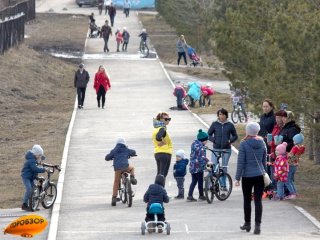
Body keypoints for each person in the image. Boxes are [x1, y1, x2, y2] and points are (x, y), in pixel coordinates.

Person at [235, 122, 267, 235]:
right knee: (258, 200)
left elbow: (241, 162)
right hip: (259, 175)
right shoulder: (262, 142)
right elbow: (264, 161)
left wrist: (237, 178)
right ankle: (257, 225)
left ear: (248, 131)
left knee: (247, 200)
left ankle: (247, 223)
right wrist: (265, 174)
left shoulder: (244, 144)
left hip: (247, 176)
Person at [208, 108, 238, 189]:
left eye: (223, 114)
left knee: (224, 168)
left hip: (226, 149)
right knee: (213, 166)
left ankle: (223, 185)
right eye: (220, 114)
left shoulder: (230, 125)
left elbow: (235, 136)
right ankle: (211, 184)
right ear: (218, 115)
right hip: (216, 148)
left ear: (226, 115)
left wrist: (229, 141)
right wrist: (213, 140)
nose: (221, 116)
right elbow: (209, 134)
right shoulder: (214, 124)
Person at [105, 137, 137, 206]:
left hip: (117, 168)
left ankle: (114, 199)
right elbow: (133, 152)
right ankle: (132, 178)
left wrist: (109, 158)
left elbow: (107, 157)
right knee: (132, 168)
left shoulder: (114, 150)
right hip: (125, 166)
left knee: (116, 182)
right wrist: (133, 154)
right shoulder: (126, 149)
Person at [21, 145, 47, 211]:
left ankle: (33, 205)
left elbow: (40, 158)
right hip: (26, 177)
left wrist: (41, 160)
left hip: (31, 177)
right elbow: (35, 169)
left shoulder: (34, 159)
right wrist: (43, 169)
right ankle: (24, 204)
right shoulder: (31, 161)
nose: (40, 157)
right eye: (39, 155)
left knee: (34, 190)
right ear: (35, 154)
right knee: (29, 189)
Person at [187, 129, 209, 202]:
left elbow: (196, 152)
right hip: (198, 167)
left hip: (192, 166)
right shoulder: (201, 148)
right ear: (203, 140)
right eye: (206, 140)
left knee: (193, 181)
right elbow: (201, 157)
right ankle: (201, 195)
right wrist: (207, 162)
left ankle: (190, 195)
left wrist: (204, 147)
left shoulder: (194, 144)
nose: (207, 142)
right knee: (200, 181)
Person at [152, 112, 173, 186]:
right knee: (163, 175)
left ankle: (155, 192)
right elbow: (158, 137)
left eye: (169, 119)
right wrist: (162, 142)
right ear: (161, 120)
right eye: (166, 119)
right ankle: (160, 194)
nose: (168, 121)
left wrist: (160, 143)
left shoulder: (156, 128)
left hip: (158, 153)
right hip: (165, 153)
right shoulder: (162, 128)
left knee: (159, 174)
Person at [267, 110, 286, 189]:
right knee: (273, 173)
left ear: (283, 118)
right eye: (276, 118)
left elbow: (279, 142)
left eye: (278, 118)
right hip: (273, 153)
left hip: (280, 154)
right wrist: (269, 140)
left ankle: (279, 190)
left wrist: (272, 143)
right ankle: (274, 189)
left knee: (279, 173)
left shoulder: (284, 128)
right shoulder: (275, 126)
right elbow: (273, 137)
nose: (277, 119)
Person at [285, 133, 305, 199]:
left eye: (294, 140)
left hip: (290, 164)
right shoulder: (302, 147)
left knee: (287, 180)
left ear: (296, 141)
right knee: (291, 180)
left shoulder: (295, 147)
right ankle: (295, 193)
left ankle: (292, 193)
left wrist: (286, 154)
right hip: (295, 164)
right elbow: (296, 155)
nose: (293, 142)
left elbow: (290, 155)